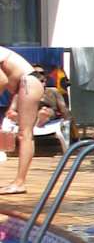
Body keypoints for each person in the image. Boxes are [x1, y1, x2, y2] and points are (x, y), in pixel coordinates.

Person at [0, 44, 45, 193]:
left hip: (28, 82)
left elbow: (2, 80)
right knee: (24, 134)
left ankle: (19, 183)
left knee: (24, 134)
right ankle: (19, 182)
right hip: (22, 85)